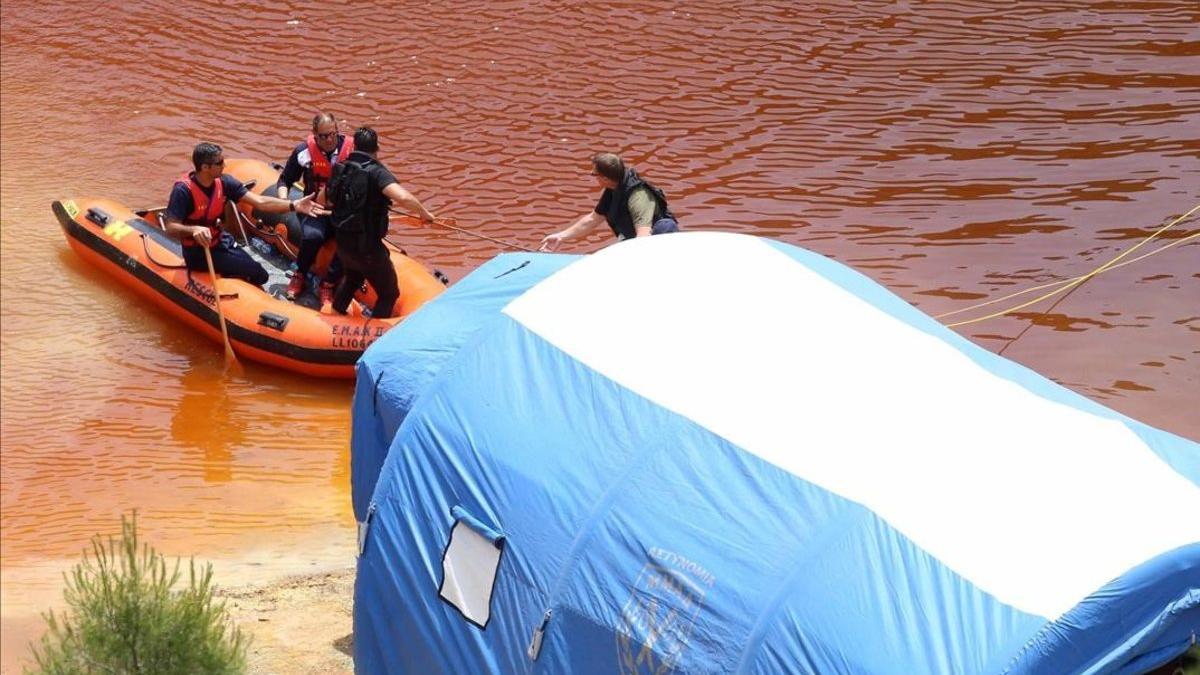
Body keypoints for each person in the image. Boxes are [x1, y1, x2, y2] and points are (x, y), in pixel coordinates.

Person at [164, 142, 323, 287]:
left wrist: (294, 205)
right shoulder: (183, 191)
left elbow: (260, 202)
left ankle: (231, 276)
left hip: (220, 242)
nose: (224, 165)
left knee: (261, 275)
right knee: (257, 274)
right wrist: (193, 230)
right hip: (198, 252)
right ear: (205, 167)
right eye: (219, 163)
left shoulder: (225, 182)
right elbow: (170, 227)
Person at [326, 126, 435, 319]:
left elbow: (323, 199)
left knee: (352, 278)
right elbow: (403, 197)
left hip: (343, 244)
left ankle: (335, 314)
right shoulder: (377, 173)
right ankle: (375, 337)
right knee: (389, 293)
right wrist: (424, 213)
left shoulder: (342, 168)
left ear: (354, 147)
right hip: (367, 249)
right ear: (376, 149)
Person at [276, 112, 354, 305]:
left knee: (349, 242)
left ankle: (327, 285)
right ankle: (299, 274)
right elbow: (285, 180)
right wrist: (286, 203)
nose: (329, 140)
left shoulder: (353, 151)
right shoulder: (303, 152)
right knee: (313, 236)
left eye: (332, 134)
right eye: (323, 136)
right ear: (314, 134)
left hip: (342, 212)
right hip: (314, 209)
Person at [539, 152, 679, 251]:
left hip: (653, 247)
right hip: (632, 241)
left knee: (664, 225)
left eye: (594, 174)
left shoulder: (638, 197)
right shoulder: (613, 188)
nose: (592, 176)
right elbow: (593, 219)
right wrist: (561, 237)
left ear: (605, 178)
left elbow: (643, 235)